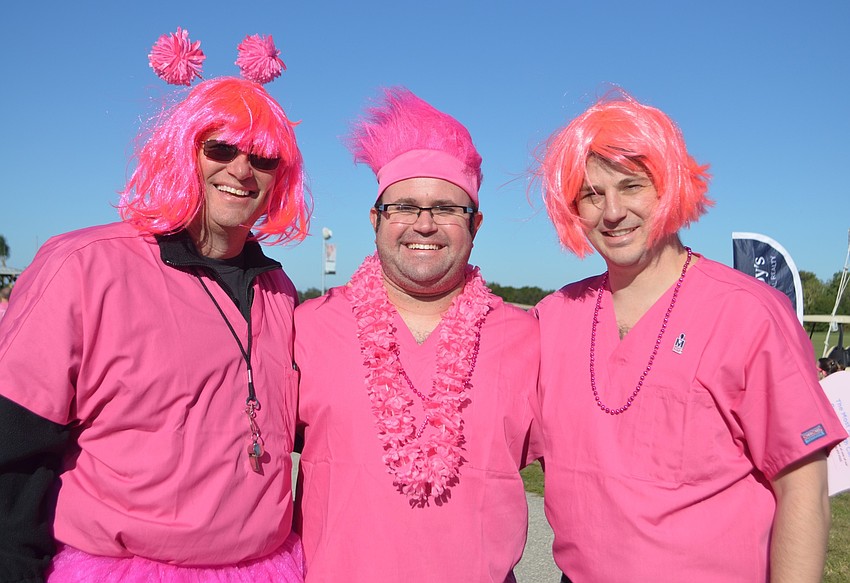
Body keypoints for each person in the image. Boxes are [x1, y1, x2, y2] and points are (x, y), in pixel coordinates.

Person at [0, 30, 310, 582]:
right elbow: (12, 452)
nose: (241, 169)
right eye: (220, 147)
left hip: (265, 568)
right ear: (182, 151)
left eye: (263, 158)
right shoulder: (84, 265)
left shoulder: (279, 292)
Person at [533, 90, 848, 582]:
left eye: (632, 186)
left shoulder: (747, 313)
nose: (611, 212)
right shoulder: (554, 318)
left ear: (669, 187)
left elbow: (802, 490)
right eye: (591, 194)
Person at [294, 87, 540, 582]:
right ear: (375, 220)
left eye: (447, 209)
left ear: (476, 225)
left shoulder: (530, 338)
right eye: (404, 206)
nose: (424, 225)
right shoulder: (306, 327)